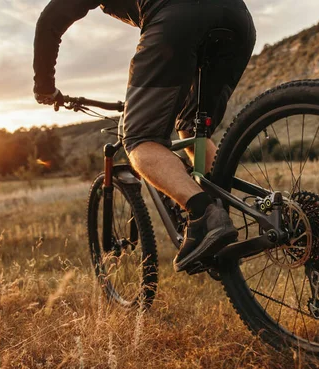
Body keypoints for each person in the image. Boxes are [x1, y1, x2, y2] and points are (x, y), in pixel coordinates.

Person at [33, 0, 256, 272]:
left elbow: (51, 18)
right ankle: (239, 220)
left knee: (139, 138)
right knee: (190, 125)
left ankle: (205, 215)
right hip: (237, 17)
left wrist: (44, 86)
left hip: (178, 14)